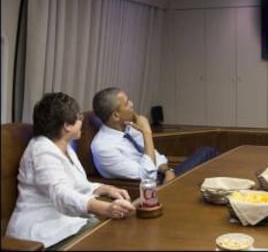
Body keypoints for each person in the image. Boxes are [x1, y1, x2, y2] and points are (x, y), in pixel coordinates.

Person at [6, 92, 136, 250]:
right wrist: (106, 208)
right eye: (79, 116)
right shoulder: (40, 151)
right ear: (67, 125)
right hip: (43, 235)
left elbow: (78, 185)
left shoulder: (64, 146)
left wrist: (106, 189)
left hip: (69, 225)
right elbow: (61, 194)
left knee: (124, 232)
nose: (82, 120)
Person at [91, 87, 218, 185]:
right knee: (208, 153)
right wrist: (146, 132)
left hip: (163, 176)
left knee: (207, 152)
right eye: (127, 103)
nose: (132, 104)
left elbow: (155, 155)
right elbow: (147, 175)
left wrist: (167, 171)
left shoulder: (128, 127)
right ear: (115, 116)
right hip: (149, 188)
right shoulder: (103, 147)